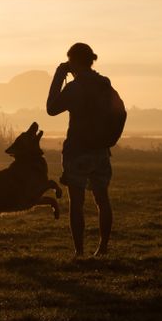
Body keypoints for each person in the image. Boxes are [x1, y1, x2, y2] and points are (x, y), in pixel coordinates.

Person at [46, 43, 113, 259]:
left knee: (77, 203)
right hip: (101, 150)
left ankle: (79, 251)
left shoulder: (75, 88)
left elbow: (51, 108)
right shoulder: (104, 84)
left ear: (73, 61)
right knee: (102, 200)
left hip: (77, 151)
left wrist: (58, 75)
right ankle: (102, 248)